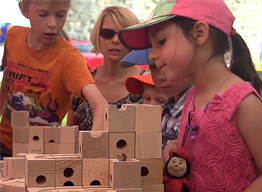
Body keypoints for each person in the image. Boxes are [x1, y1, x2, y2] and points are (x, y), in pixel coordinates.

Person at [118, 0, 262, 192]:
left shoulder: (243, 102)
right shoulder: (191, 98)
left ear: (199, 34)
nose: (152, 55)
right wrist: (177, 153)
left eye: (161, 41)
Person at [0, 0, 106, 157]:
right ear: (24, 10)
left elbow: (101, 105)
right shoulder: (13, 36)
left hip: (41, 155)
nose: (52, 23)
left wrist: (91, 149)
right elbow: (8, 76)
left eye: (60, 15)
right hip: (3, 144)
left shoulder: (69, 58)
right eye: (43, 14)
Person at [67, 6, 142, 131]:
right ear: (98, 35)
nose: (115, 40)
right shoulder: (84, 82)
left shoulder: (147, 83)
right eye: (108, 33)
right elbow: (69, 137)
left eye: (123, 35)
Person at [120, 48, 193, 150]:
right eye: (153, 67)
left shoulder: (197, 111)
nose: (160, 77)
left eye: (167, 65)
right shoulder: (168, 109)